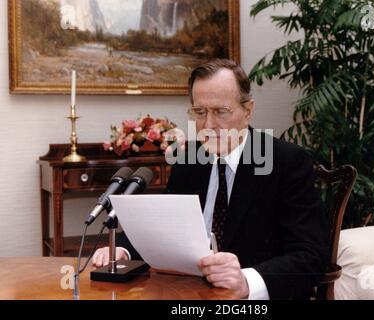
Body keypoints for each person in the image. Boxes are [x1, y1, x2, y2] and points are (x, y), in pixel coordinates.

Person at [92, 59, 328, 300]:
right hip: (186, 293)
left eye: (221, 112)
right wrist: (121, 250)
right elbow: (162, 228)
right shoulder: (189, 161)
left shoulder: (285, 162)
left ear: (248, 111)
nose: (208, 124)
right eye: (200, 112)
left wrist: (247, 282)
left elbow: (311, 256)